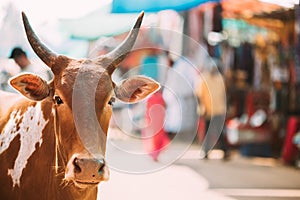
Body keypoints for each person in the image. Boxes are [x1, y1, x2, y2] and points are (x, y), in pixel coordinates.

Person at [195, 58, 229, 160]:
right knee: (208, 131)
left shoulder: (220, 79)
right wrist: (202, 107)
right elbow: (199, 94)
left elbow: (223, 94)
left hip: (219, 109)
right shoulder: (203, 78)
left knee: (220, 131)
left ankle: (224, 151)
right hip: (208, 110)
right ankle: (206, 151)